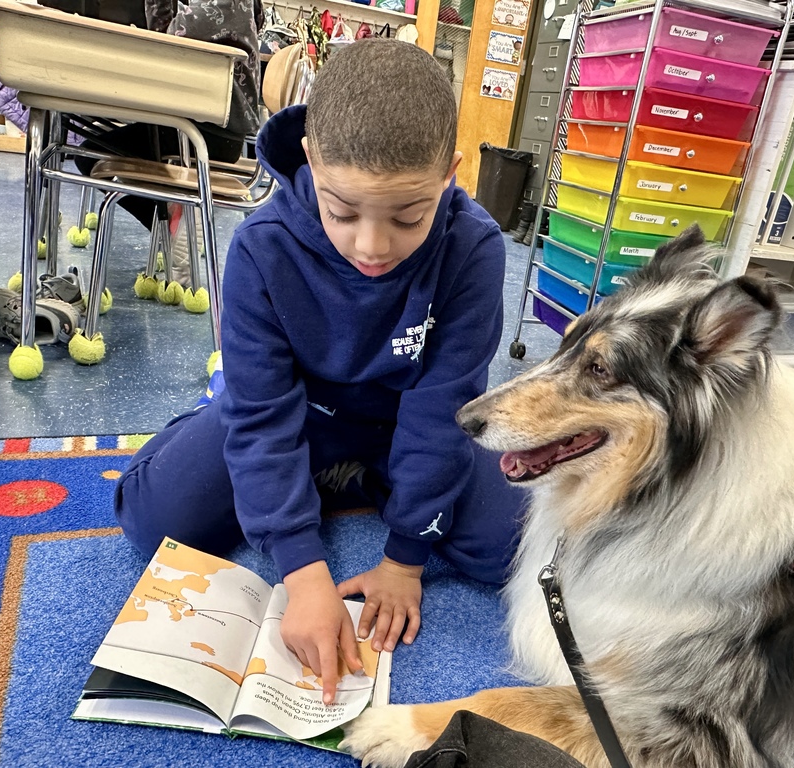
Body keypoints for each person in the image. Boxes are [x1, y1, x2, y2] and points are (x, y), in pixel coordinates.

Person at [114, 39, 525, 705]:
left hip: (401, 425)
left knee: (518, 546)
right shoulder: (260, 247)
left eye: (408, 215)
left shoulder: (475, 249)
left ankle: (352, 480)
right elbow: (264, 418)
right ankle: (283, 464)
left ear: (448, 175)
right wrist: (303, 573)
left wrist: (403, 559)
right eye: (341, 211)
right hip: (296, 415)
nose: (371, 245)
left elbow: (444, 407)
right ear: (310, 161)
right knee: (153, 519)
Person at [73, 0, 263, 241]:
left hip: (207, 135)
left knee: (90, 154)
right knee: (91, 152)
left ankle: (170, 225)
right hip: (207, 129)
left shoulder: (226, 3)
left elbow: (167, 38)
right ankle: (171, 224)